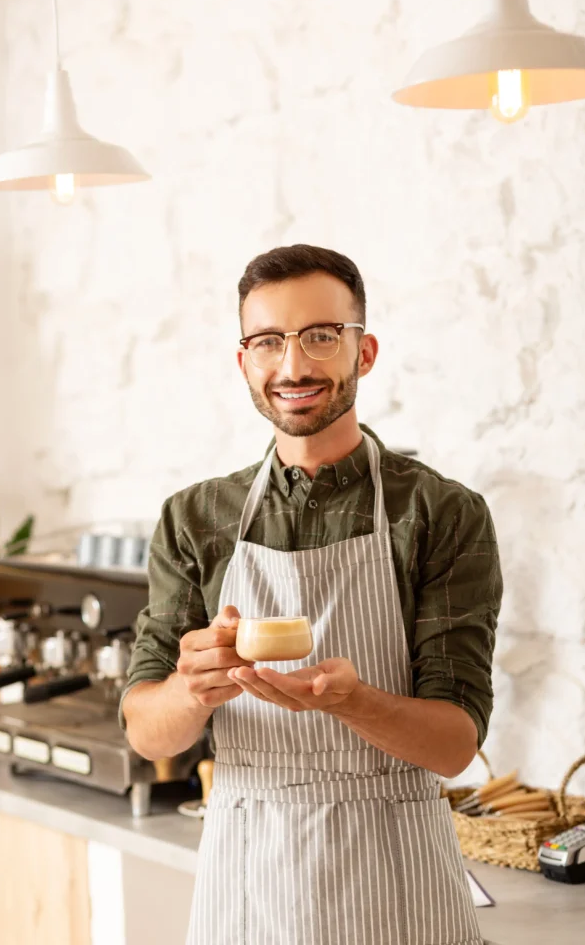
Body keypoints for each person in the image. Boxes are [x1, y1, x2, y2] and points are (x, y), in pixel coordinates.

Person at [120, 244, 502, 945]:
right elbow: (148, 734)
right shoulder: (194, 518)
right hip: (246, 878)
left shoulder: (440, 513)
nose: (293, 366)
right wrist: (191, 687)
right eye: (268, 341)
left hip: (398, 877)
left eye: (320, 337)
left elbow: (453, 745)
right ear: (244, 362)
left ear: (364, 351)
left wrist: (352, 701)